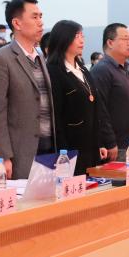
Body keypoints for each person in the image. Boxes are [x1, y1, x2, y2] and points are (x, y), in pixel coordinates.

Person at [0, 0, 56, 179]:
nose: (40, 22)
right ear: (17, 23)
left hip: (48, 149)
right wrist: (2, 156)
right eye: (34, 17)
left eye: (41, 16)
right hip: (20, 152)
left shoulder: (40, 57)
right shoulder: (0, 58)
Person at [47, 20, 105, 175]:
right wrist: (63, 151)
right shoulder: (53, 71)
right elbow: (56, 116)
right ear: (63, 38)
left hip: (90, 145)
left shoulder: (83, 69)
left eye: (82, 36)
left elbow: (95, 108)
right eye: (76, 36)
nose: (82, 40)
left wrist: (100, 142)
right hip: (70, 147)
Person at [90, 23, 129, 161]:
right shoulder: (101, 70)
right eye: (125, 39)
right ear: (110, 43)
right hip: (119, 147)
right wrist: (109, 142)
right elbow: (100, 110)